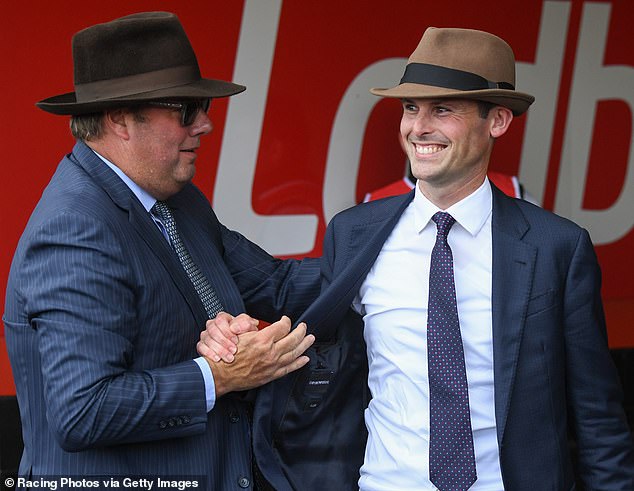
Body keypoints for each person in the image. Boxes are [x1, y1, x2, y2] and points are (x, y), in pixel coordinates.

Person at [201, 27, 634, 490]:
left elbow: (598, 420)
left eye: (442, 109)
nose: (418, 127)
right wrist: (237, 328)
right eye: (410, 108)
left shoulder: (557, 247)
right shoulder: (354, 233)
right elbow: (296, 306)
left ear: (499, 121)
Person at [3, 12, 321, 489]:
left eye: (204, 105)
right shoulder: (75, 229)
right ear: (119, 119)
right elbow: (82, 411)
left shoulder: (176, 200)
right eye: (186, 109)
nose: (206, 125)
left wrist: (411, 239)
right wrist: (219, 376)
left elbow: (275, 285)